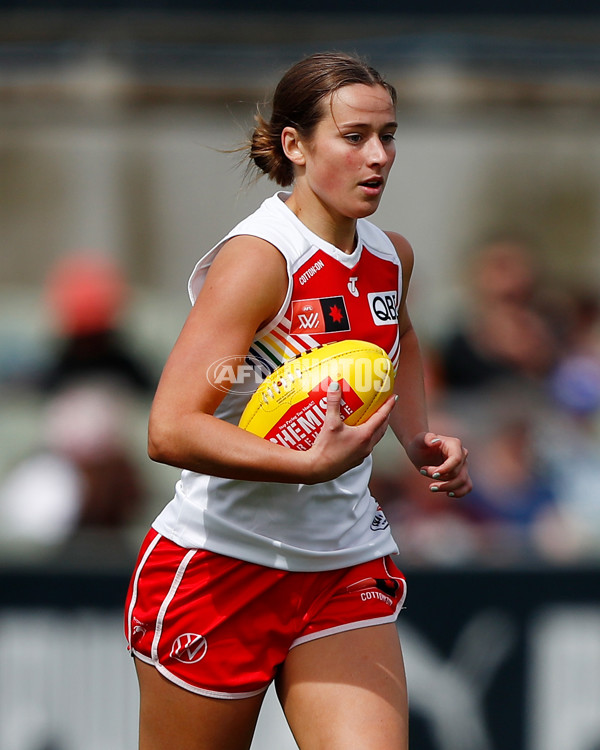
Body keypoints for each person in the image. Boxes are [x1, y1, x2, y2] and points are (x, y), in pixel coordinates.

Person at [124, 51, 472, 750]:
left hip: (343, 566)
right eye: (354, 137)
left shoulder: (391, 256)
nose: (378, 157)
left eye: (389, 135)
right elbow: (169, 429)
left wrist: (418, 439)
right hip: (220, 568)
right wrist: (305, 466)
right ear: (295, 145)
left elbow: (393, 336)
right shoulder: (260, 260)